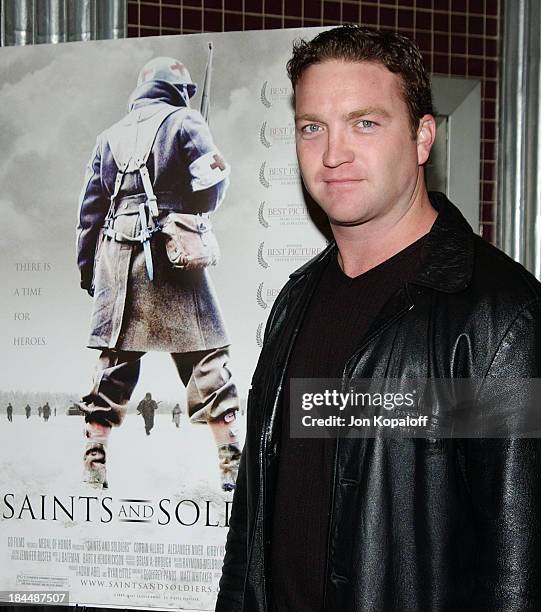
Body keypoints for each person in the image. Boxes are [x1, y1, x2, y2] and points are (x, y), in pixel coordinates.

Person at [217, 25, 541, 612]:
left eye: (365, 123)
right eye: (313, 127)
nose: (333, 153)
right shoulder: (297, 298)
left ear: (423, 137)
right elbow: (255, 523)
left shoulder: (501, 316)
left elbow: (521, 564)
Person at [76, 56, 241, 491]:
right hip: (171, 257)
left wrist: (88, 271)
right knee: (207, 359)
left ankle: (94, 463)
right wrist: (195, 204)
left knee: (113, 365)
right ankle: (231, 465)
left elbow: (90, 213)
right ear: (180, 90)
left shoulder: (107, 138)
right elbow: (211, 185)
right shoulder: (185, 121)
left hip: (117, 263)